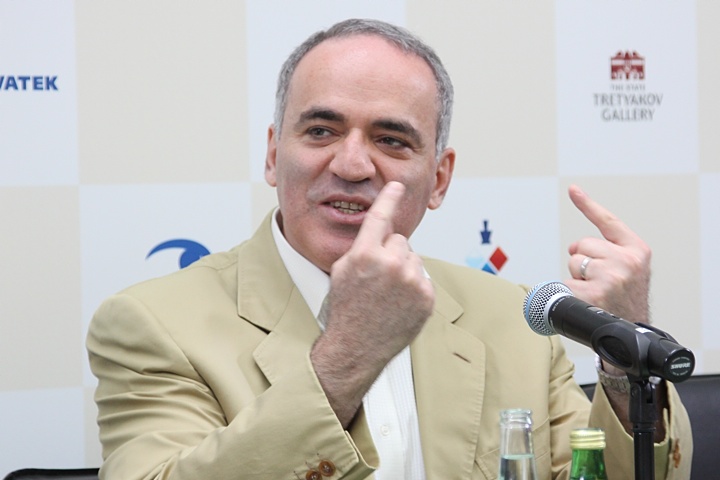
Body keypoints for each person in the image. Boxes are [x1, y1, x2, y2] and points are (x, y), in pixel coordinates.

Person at [87, 18, 692, 480]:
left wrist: (625, 356)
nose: (352, 165)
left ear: (440, 179)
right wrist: (349, 352)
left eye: (391, 140)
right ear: (273, 155)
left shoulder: (511, 320)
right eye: (321, 131)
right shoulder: (153, 325)